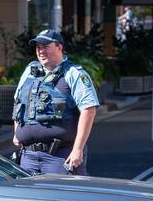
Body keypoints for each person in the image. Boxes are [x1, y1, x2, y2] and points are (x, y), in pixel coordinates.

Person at [12, 29, 99, 175]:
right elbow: (18, 102)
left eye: (45, 47)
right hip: (28, 156)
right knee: (28, 198)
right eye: (38, 47)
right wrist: (17, 132)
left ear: (59, 47)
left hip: (59, 156)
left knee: (63, 197)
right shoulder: (30, 71)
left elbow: (89, 110)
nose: (41, 51)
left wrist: (77, 149)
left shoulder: (73, 73)